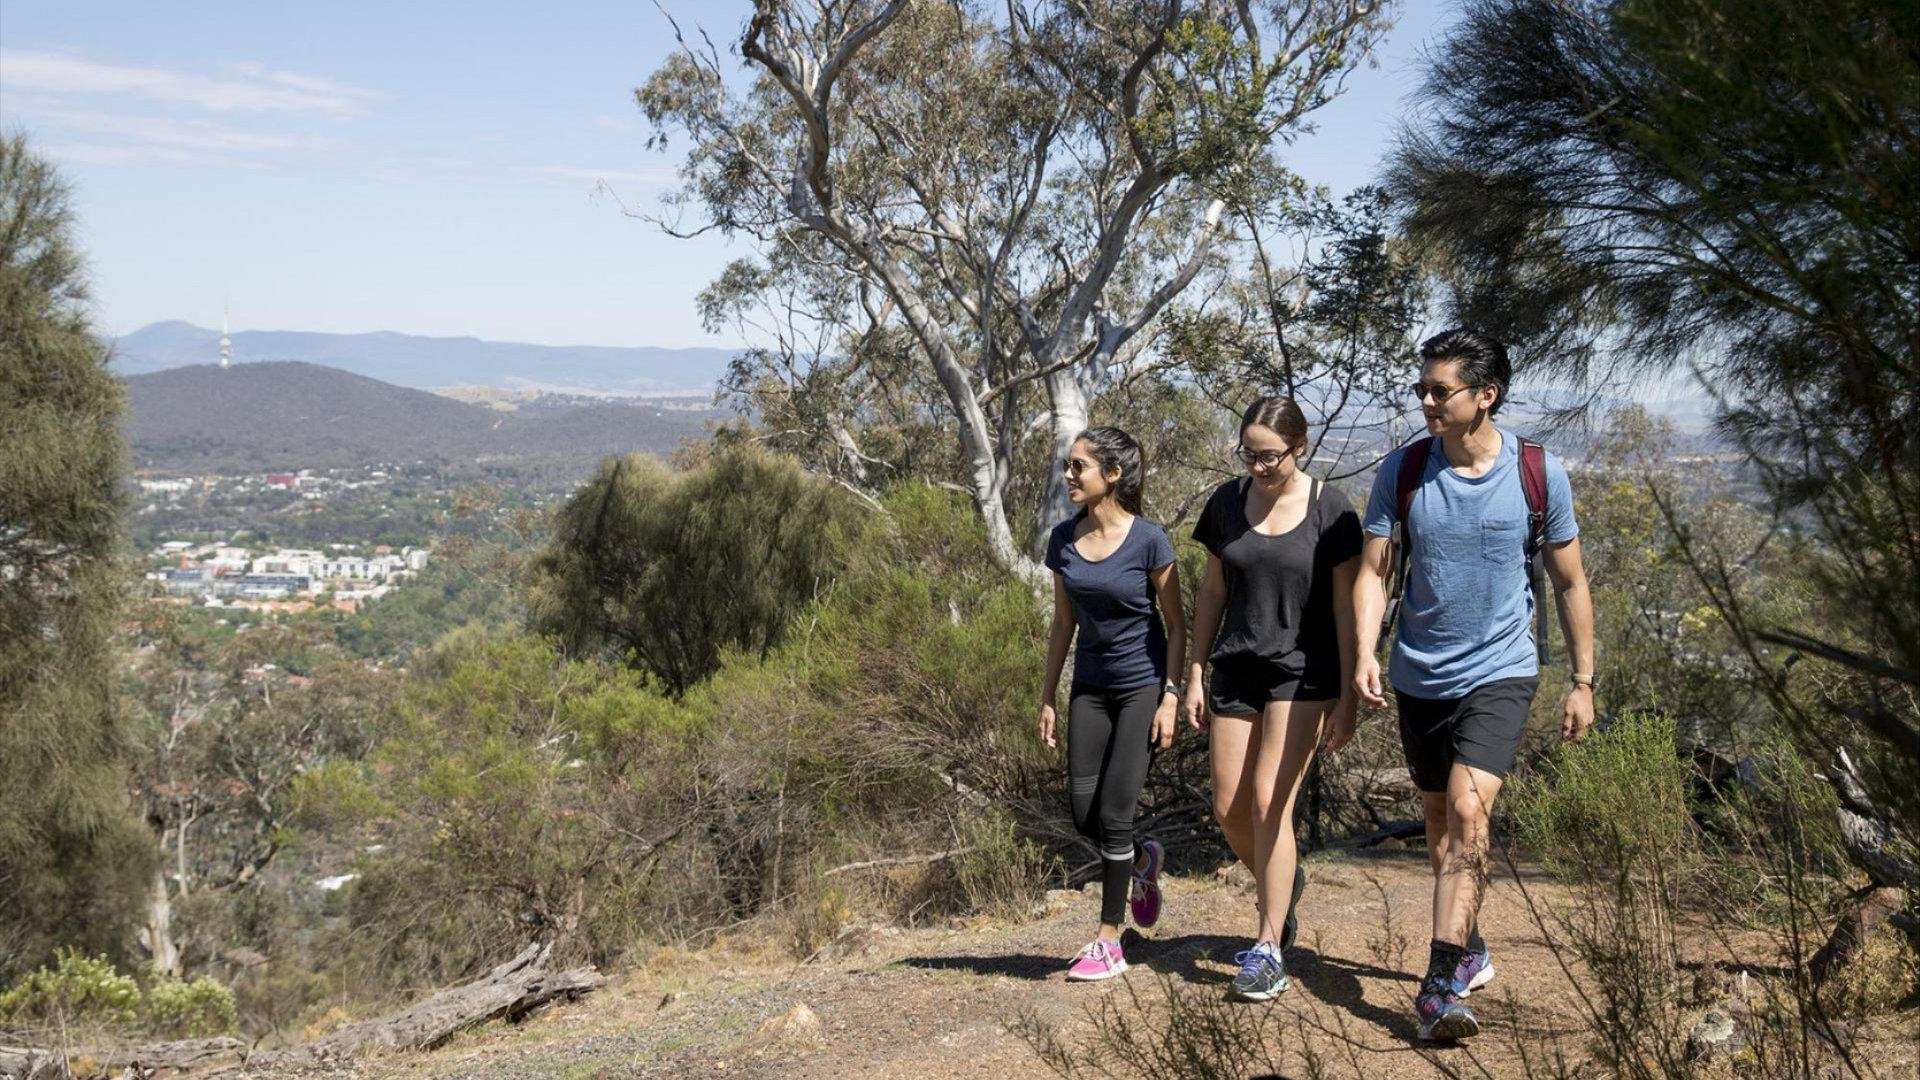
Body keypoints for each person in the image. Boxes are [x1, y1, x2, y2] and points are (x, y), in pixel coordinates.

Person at [1353, 328, 1596, 1042]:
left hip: (1502, 668)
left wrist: (1583, 680)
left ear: (1485, 396)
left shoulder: (1538, 472)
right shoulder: (1402, 472)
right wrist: (1366, 649)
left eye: (1440, 390)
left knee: (1467, 809)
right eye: (1422, 389)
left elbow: (1571, 580)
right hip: (1419, 672)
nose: (1426, 400)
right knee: (1438, 824)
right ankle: (1469, 943)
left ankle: (1437, 986)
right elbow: (1373, 571)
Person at [1184, 397, 1363, 1001]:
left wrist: (1347, 696)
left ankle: (1267, 947)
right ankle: (1283, 883)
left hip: (1304, 672)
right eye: (1250, 454)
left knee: (1269, 803)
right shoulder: (1226, 503)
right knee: (1229, 807)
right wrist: (1192, 673)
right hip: (1236, 666)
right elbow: (1211, 592)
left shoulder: (1329, 508)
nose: (1259, 466)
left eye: (1271, 456)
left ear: (1300, 448)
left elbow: (1344, 606)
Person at [1040, 426, 1188, 982]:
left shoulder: (1150, 540)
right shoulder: (1062, 539)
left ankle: (1109, 942)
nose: (1070, 476)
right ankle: (1144, 861)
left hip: (1142, 687)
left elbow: (1176, 626)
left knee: (1116, 815)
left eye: (1080, 466)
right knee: (1085, 815)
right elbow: (1062, 623)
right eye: (1069, 466)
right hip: (1090, 689)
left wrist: (1170, 696)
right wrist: (1048, 694)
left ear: (1114, 474)